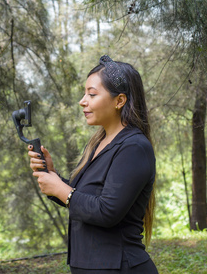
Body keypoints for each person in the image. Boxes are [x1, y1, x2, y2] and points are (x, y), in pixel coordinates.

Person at [28, 55, 158, 273]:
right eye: (84, 93)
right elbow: (84, 198)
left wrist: (62, 190)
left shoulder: (134, 147)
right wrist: (52, 175)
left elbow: (107, 211)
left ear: (120, 101)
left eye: (92, 94)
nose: (82, 101)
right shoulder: (99, 143)